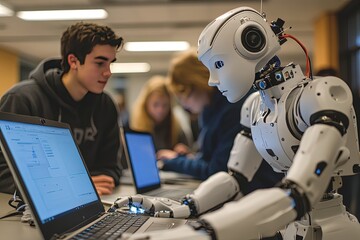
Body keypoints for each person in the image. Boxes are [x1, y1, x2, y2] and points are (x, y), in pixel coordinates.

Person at [0, 22, 123, 196]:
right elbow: (3, 172)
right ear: (73, 61)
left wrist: (87, 187)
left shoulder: (106, 106)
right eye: (100, 63)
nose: (108, 72)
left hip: (95, 202)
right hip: (28, 211)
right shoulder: (22, 100)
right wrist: (74, 186)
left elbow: (110, 168)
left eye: (111, 63)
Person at [157, 49, 283, 188]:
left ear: (197, 84)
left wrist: (174, 162)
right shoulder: (210, 109)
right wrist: (188, 158)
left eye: (183, 96)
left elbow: (217, 170)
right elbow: (209, 157)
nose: (184, 104)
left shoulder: (233, 105)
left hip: (255, 190)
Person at [130, 75, 189, 151]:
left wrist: (182, 154)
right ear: (145, 104)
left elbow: (188, 156)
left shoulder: (177, 129)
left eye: (165, 105)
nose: (160, 110)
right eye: (155, 104)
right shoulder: (132, 126)